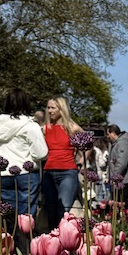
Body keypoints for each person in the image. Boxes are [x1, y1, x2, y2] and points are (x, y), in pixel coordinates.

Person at [0, 89, 49, 222]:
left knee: (8, 218)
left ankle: (10, 241)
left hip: (4, 175)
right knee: (26, 218)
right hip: (27, 174)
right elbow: (41, 152)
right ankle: (25, 242)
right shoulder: (30, 126)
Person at [43, 97, 82, 226]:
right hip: (48, 172)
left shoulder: (72, 128)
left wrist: (82, 160)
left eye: (53, 108)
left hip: (68, 172)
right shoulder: (44, 129)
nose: (49, 111)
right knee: (51, 210)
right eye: (48, 108)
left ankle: (64, 239)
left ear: (61, 109)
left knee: (63, 209)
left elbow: (89, 145)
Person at [106, 123, 128, 201]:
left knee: (121, 202)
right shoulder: (115, 144)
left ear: (113, 133)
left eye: (108, 134)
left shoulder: (123, 144)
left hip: (123, 180)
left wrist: (115, 177)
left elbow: (122, 163)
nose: (108, 137)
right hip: (119, 179)